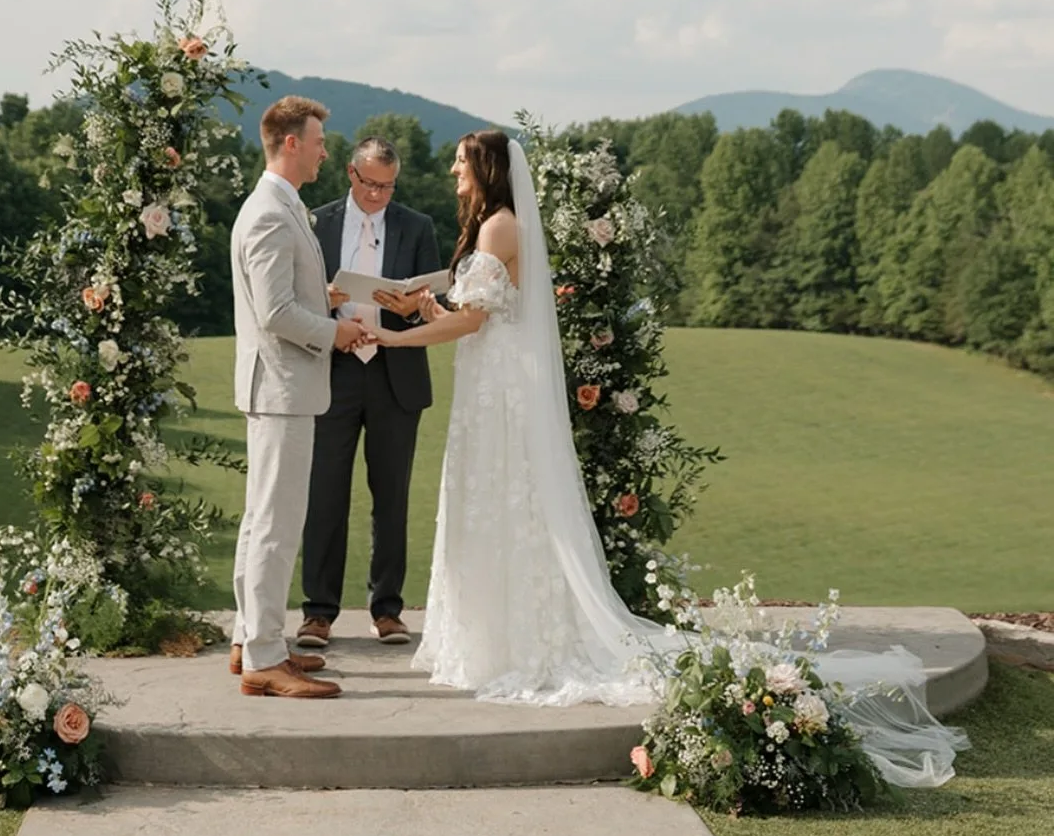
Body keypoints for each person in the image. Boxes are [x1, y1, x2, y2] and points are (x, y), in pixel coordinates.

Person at [368, 128, 969, 787]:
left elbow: (472, 323)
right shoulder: (496, 226)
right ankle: (493, 633)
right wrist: (422, 303)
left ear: (484, 168)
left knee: (504, 505)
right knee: (495, 506)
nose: (453, 170)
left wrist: (394, 337)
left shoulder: (498, 228)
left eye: (459, 162)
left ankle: (509, 643)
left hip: (499, 394)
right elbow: (480, 308)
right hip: (494, 387)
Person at [228, 94, 369, 698]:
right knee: (277, 524)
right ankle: (263, 657)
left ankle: (249, 640)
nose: (324, 151)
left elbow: (292, 296)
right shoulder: (267, 212)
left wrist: (334, 299)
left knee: (265, 517)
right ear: (291, 143)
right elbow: (276, 312)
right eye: (317, 141)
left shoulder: (284, 207)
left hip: (285, 385)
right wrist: (334, 331)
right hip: (282, 385)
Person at [296, 136, 442, 651]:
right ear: (352, 176)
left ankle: (388, 610)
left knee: (392, 496)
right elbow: (293, 294)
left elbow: (434, 301)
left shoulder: (417, 225)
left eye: (389, 185)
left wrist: (411, 307)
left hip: (393, 371)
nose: (380, 195)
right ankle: (318, 613)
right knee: (324, 495)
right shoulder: (316, 223)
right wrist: (326, 298)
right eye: (372, 184)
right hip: (332, 369)